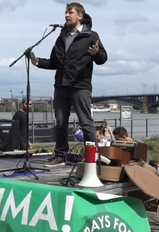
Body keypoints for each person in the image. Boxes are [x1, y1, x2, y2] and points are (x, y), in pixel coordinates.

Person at [31, 2, 107, 168]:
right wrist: (38, 62)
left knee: (86, 123)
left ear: (79, 16)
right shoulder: (61, 37)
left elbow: (103, 58)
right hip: (61, 86)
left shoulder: (90, 36)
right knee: (60, 123)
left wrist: (96, 54)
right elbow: (54, 62)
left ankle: (91, 158)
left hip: (80, 86)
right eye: (66, 12)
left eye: (70, 12)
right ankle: (60, 156)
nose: (66, 15)